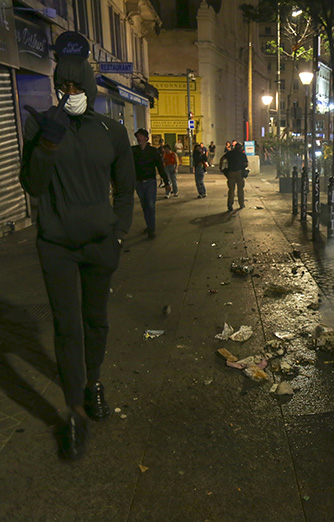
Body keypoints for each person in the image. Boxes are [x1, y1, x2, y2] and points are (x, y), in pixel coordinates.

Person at [19, 31, 135, 460]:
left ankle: (94, 382)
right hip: (57, 247)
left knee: (95, 322)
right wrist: (47, 144)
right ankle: (72, 411)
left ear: (89, 86)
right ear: (55, 88)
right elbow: (32, 184)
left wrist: (118, 231)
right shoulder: (40, 125)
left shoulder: (111, 131)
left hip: (100, 245)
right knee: (67, 328)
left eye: (77, 87)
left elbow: (125, 190)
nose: (70, 94)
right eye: (62, 87)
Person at [132, 128, 168, 238]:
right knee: (144, 205)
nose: (139, 138)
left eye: (141, 136)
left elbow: (160, 167)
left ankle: (151, 229)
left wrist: (166, 182)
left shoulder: (153, 151)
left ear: (146, 138)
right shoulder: (134, 151)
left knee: (150, 205)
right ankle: (149, 225)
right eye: (138, 136)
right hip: (139, 182)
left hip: (150, 181)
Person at [221, 142, 249, 211]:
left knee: (231, 190)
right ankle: (241, 204)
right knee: (240, 189)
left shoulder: (230, 153)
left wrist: (221, 167)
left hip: (230, 173)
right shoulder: (242, 154)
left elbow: (222, 158)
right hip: (239, 173)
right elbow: (246, 164)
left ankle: (230, 204)